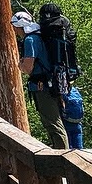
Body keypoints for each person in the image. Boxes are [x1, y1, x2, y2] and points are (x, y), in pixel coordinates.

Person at [13, 10, 69, 149]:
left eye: (14, 27)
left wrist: (20, 65)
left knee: (52, 121)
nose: (14, 30)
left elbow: (28, 67)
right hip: (51, 83)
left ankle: (63, 154)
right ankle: (59, 149)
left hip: (41, 85)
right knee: (53, 119)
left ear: (19, 26)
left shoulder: (30, 40)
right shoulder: (39, 36)